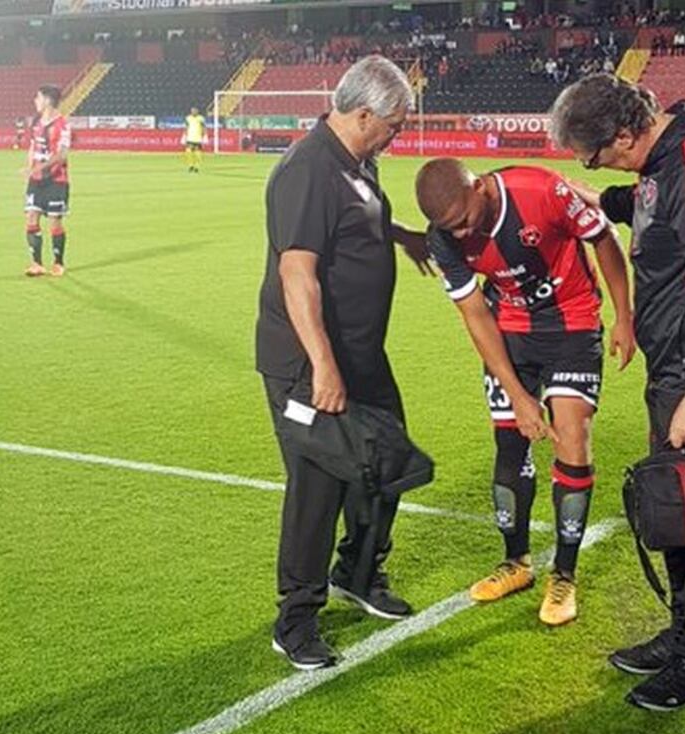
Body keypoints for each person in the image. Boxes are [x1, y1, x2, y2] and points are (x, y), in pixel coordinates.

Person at [549, 74, 685, 711]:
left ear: (626, 134)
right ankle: (683, 634)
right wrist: (610, 198)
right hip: (677, 362)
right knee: (679, 509)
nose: (594, 164)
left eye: (595, 156)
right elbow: (659, 204)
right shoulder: (670, 158)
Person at [256, 55, 433, 671]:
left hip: (361, 356)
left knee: (388, 462)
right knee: (318, 485)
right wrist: (323, 366)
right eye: (395, 124)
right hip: (309, 362)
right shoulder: (307, 170)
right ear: (363, 115)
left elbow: (357, 224)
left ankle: (358, 573)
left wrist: (402, 236)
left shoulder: (357, 162)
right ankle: (296, 619)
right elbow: (296, 273)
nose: (399, 134)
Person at [414, 157, 636, 626]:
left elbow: (604, 238)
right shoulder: (442, 237)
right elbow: (475, 315)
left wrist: (623, 315)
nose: (458, 235)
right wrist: (517, 394)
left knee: (571, 439)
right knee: (509, 444)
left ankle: (565, 576)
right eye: (447, 229)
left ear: (480, 189)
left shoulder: (541, 191)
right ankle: (516, 563)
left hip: (572, 323)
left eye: (463, 222)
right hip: (509, 328)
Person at [22, 84, 71, 278]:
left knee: (54, 222)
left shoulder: (63, 124)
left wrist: (38, 168)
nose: (35, 100)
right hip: (36, 180)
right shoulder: (35, 121)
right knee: (31, 217)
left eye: (38, 97)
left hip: (57, 180)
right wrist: (29, 167)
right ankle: (37, 264)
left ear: (48, 100)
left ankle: (58, 263)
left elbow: (62, 155)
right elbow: (32, 147)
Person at [183, 106, 207, 173]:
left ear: (197, 111)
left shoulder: (201, 118)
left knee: (197, 152)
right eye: (192, 111)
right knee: (188, 151)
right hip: (190, 137)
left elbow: (204, 127)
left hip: (198, 138)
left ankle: (197, 166)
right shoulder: (188, 118)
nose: (193, 112)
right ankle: (190, 165)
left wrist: (205, 135)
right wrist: (184, 135)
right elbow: (186, 127)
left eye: (195, 111)